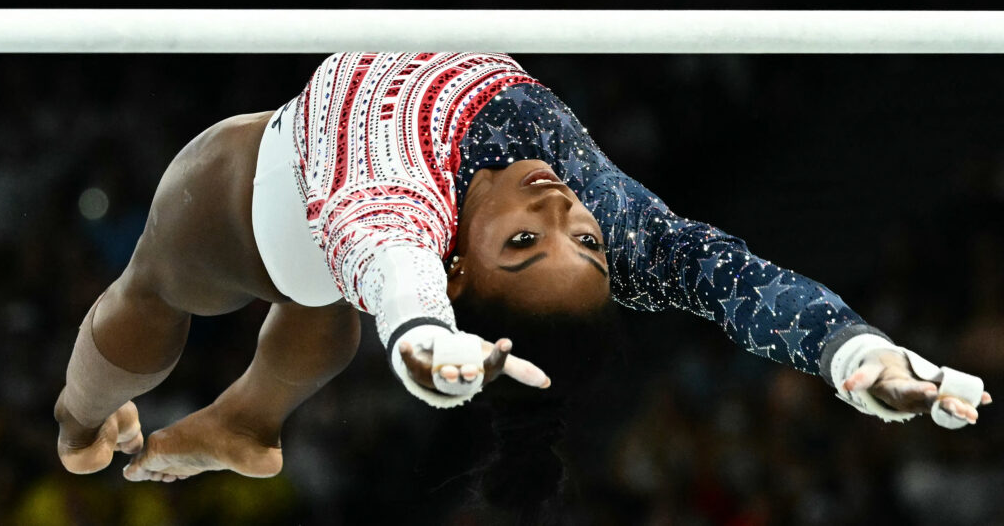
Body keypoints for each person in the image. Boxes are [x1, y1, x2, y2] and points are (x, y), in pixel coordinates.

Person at [55, 52, 990, 485]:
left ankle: (77, 424)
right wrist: (851, 351)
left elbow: (392, 269)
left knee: (151, 281)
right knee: (323, 308)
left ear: (453, 263)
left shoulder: (398, 203)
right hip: (333, 247)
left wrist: (423, 344)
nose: (560, 211)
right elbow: (727, 275)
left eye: (522, 246)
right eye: (584, 242)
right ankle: (246, 422)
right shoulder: (587, 203)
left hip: (257, 203)